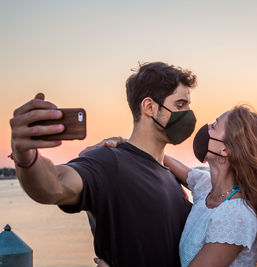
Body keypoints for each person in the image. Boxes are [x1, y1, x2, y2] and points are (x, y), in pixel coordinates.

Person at [8, 62, 197, 267]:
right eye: (180, 105)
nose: (188, 113)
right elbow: (54, 185)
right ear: (150, 107)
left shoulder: (171, 177)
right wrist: (25, 157)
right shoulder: (110, 162)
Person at [95, 105, 257, 266]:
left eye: (214, 126)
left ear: (225, 149)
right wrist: (126, 143)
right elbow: (165, 161)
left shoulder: (235, 216)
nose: (206, 129)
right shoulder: (208, 187)